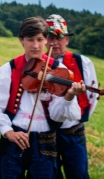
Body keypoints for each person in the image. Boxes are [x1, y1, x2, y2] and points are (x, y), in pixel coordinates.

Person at [0, 17, 85, 179]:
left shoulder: (58, 70)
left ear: (46, 40)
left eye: (40, 39)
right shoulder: (9, 69)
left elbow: (58, 116)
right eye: (30, 40)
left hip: (46, 140)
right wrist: (7, 131)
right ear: (21, 40)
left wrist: (69, 96)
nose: (36, 45)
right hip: (14, 138)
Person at [45, 14, 98, 179]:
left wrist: (78, 118)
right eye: (50, 37)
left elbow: (92, 95)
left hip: (73, 132)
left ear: (66, 39)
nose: (54, 42)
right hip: (46, 133)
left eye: (59, 37)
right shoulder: (37, 63)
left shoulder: (83, 62)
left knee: (78, 173)